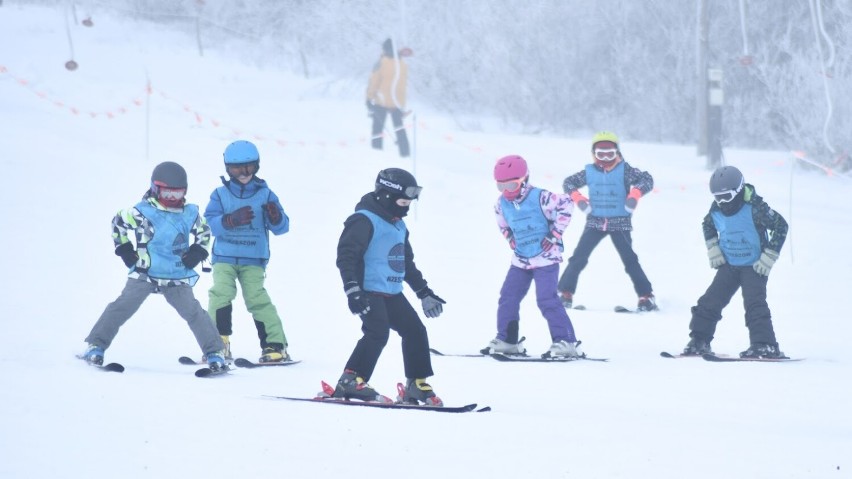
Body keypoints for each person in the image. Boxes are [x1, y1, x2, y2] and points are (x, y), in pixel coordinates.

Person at [82, 162, 226, 370]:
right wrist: (124, 249)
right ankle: (96, 345)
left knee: (194, 312)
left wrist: (198, 251)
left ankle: (214, 352)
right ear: (155, 189)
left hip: (175, 274)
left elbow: (204, 232)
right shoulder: (142, 212)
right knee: (121, 307)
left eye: (177, 195)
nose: (172, 199)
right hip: (144, 273)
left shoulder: (189, 213)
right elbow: (117, 223)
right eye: (167, 194)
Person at [333, 168, 446, 405]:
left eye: (409, 203)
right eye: (403, 202)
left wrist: (423, 292)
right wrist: (352, 290)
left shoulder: (398, 225)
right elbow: (346, 256)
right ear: (386, 196)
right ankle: (351, 379)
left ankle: (416, 383)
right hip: (368, 291)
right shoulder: (363, 220)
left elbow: (405, 263)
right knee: (377, 332)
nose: (406, 208)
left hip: (392, 292)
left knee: (415, 331)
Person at [481, 155, 583, 358]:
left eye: (512, 185)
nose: (507, 191)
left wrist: (555, 234)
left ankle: (566, 342)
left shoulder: (541, 197)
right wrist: (509, 237)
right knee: (508, 297)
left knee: (546, 299)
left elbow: (567, 204)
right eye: (501, 186)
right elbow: (503, 223)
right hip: (521, 259)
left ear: (524, 179)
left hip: (546, 258)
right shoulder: (501, 204)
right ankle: (508, 341)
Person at [682, 165, 789, 358]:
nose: (723, 202)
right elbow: (707, 224)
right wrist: (713, 248)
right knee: (710, 301)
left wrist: (769, 256)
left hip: (755, 266)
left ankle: (765, 345)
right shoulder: (716, 210)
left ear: (739, 191)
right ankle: (699, 340)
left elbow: (781, 225)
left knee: (754, 305)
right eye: (718, 196)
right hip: (729, 265)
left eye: (727, 196)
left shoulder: (756, 208)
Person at [203, 140, 291, 363]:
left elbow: (282, 228)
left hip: (253, 257)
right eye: (237, 169)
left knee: (257, 298)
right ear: (227, 169)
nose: (243, 174)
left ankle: (275, 344)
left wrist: (275, 217)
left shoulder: (265, 194)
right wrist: (230, 220)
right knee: (220, 294)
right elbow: (209, 224)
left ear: (257, 166)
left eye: (249, 168)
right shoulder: (220, 195)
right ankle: (217, 344)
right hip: (224, 256)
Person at [557, 131, 658, 312]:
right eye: (600, 154)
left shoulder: (625, 170)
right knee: (578, 258)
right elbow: (568, 182)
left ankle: (646, 296)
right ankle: (565, 293)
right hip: (595, 222)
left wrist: (635, 194)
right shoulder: (589, 172)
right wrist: (578, 199)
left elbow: (647, 179)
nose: (605, 158)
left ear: (617, 152)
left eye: (609, 153)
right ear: (593, 153)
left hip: (620, 222)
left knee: (630, 260)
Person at [366, 38, 412, 158]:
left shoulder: (381, 62)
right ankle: (405, 154)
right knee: (400, 129)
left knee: (377, 130)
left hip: (382, 101)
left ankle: (376, 153)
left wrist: (369, 98)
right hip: (397, 102)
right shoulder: (402, 63)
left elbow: (373, 81)